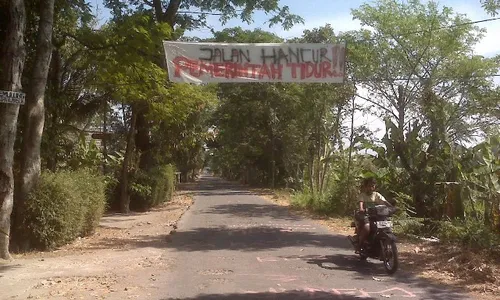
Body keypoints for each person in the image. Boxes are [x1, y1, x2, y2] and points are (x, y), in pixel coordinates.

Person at [355, 177, 393, 253]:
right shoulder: (362, 195)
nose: (371, 188)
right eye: (369, 186)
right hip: (365, 215)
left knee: (386, 225)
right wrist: (361, 208)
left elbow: (384, 201)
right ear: (365, 187)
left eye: (373, 186)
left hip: (376, 215)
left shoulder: (377, 195)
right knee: (367, 228)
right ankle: (360, 245)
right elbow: (361, 204)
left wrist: (392, 207)